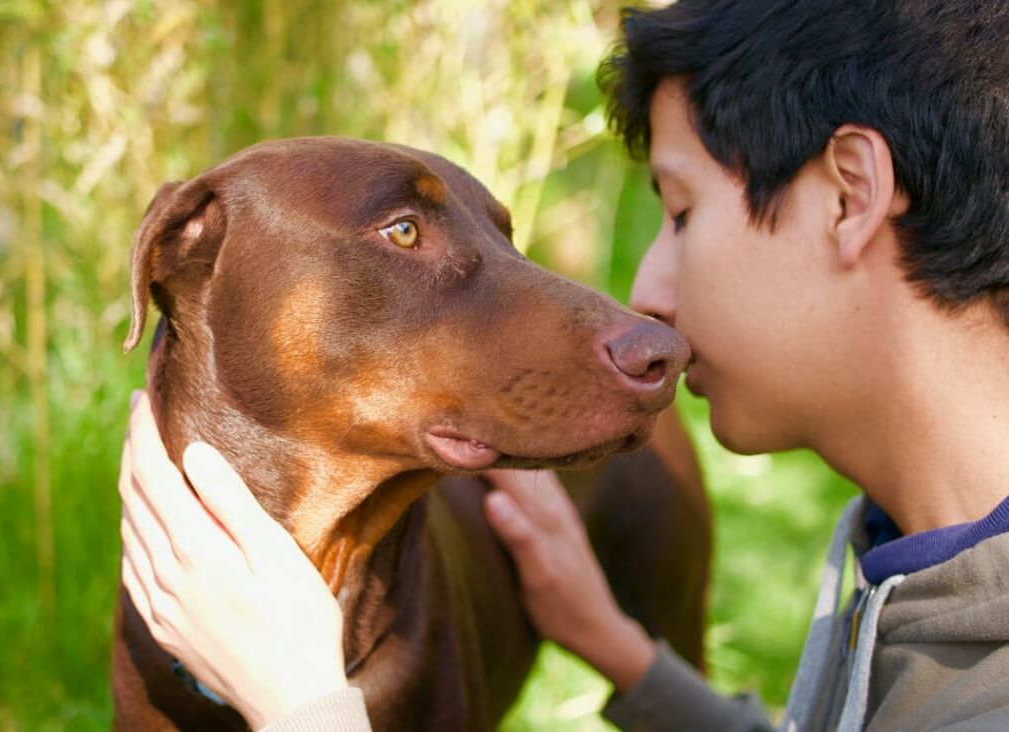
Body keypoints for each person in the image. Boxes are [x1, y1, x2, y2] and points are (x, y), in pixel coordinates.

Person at [118, 0, 1009, 729]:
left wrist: (303, 711)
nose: (646, 301)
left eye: (682, 211)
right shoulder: (906, 563)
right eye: (404, 233)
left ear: (852, 195)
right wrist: (621, 651)